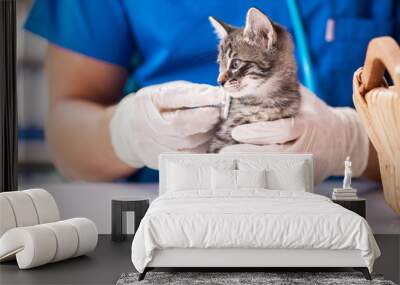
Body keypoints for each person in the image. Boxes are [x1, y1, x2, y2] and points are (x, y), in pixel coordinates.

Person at [25, 0, 399, 183]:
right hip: (167, 205)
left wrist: (355, 143)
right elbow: (66, 128)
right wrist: (124, 134)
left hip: (356, 205)